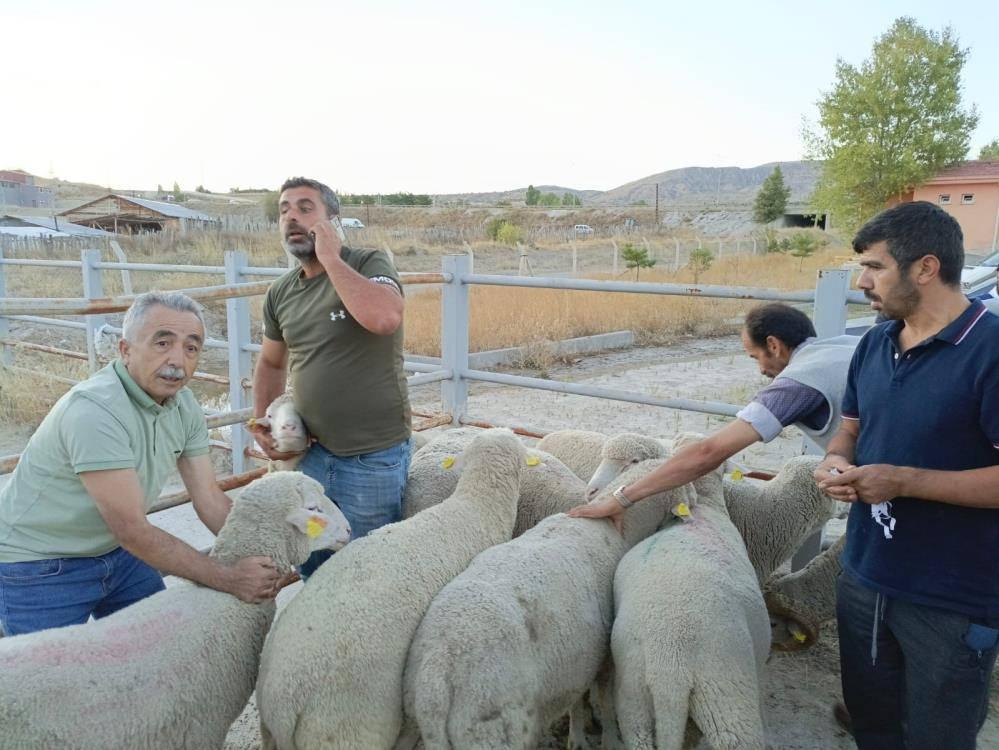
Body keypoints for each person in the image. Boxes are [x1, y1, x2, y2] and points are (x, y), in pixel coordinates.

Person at [815, 201, 999, 750]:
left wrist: (903, 481)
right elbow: (848, 430)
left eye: (874, 267)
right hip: (865, 578)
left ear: (925, 267)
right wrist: (834, 463)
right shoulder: (874, 343)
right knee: (873, 727)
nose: (862, 282)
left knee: (937, 737)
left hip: (952, 598)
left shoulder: (990, 351)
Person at [0, 292, 281, 636]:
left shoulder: (184, 404)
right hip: (40, 562)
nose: (178, 360)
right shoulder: (94, 411)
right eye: (162, 343)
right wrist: (229, 578)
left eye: (191, 347)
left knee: (159, 651)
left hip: (116, 552)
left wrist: (262, 554)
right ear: (125, 350)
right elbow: (133, 530)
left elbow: (208, 496)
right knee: (42, 681)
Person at [569, 302, 858, 527]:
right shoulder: (845, 345)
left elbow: (709, 452)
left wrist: (622, 498)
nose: (760, 370)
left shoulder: (798, 382)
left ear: (774, 345)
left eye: (755, 357)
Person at [251, 177, 411, 579]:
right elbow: (271, 363)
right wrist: (263, 424)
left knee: (365, 575)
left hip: (371, 459)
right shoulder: (281, 292)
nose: (291, 217)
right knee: (313, 566)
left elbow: (384, 318)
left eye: (306, 208)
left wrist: (332, 259)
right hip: (309, 457)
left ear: (332, 222)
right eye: (284, 209)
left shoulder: (368, 263)